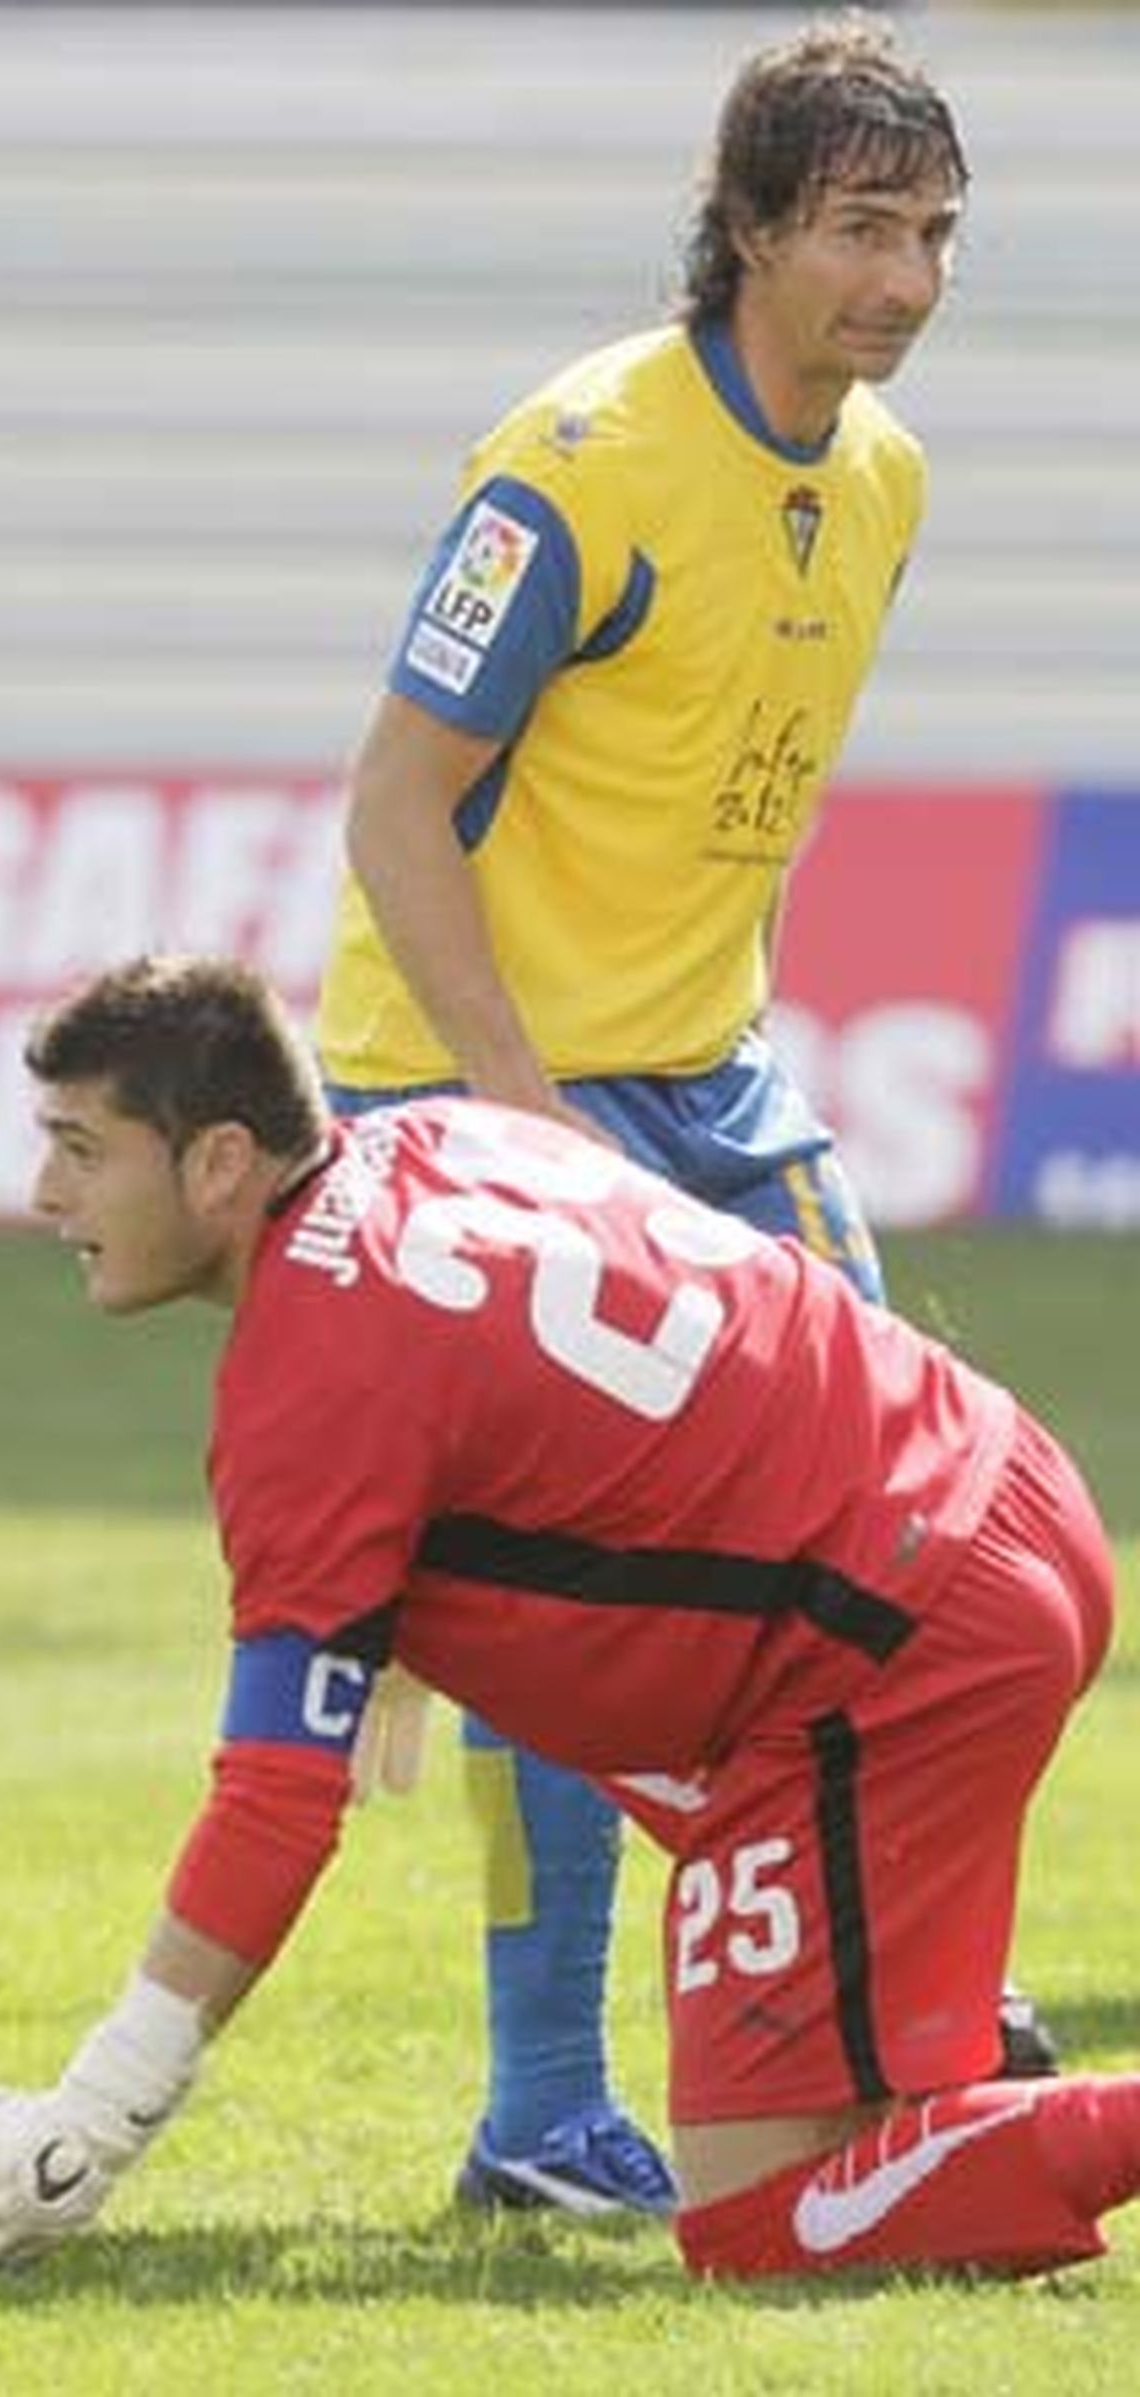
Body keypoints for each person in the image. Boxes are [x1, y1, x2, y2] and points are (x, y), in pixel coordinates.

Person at [0, 956, 1136, 2282]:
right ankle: (948, 2031)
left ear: (220, 1161)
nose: (44, 1193)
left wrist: (101, 2105)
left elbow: (274, 1802)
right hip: (1001, 1483)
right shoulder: (435, 1133)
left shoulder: (307, 1383)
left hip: (894, 1639)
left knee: (764, 2228)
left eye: (81, 1148)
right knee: (848, 2112)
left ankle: (946, 2037)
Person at [314, 10, 1050, 2219]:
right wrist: (524, 1126)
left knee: (938, 1542)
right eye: (852, 230)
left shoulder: (887, 475)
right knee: (594, 1614)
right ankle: (541, 2108)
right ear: (739, 229)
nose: (899, 280)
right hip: (474, 1085)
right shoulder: (570, 462)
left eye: (929, 232)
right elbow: (391, 806)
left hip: (709, 1073)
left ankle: (903, 2023)